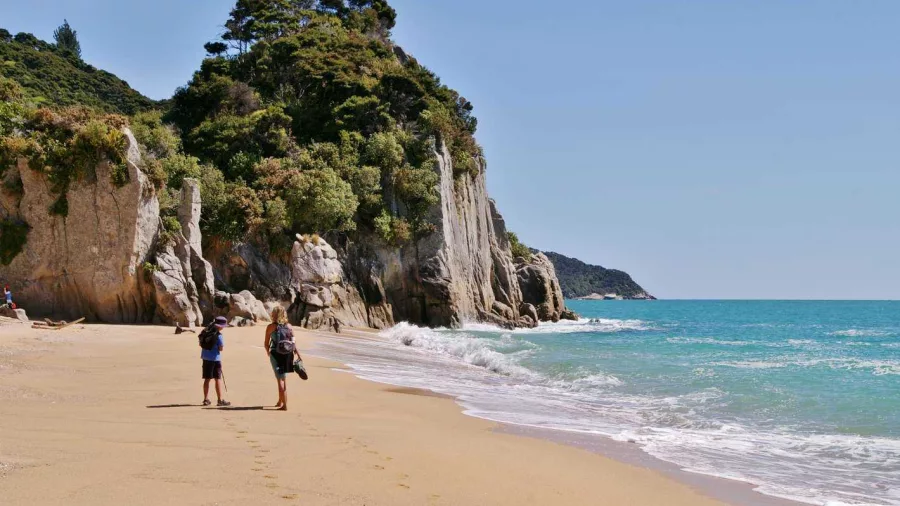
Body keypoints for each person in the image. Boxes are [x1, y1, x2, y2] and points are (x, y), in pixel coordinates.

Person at [264, 306, 302, 411]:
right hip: (288, 354)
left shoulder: (271, 327)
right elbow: (293, 342)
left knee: (280, 379)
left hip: (276, 354)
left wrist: (268, 353)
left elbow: (266, 343)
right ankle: (280, 401)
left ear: (274, 314)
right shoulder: (289, 326)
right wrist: (297, 353)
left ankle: (284, 405)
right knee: (283, 378)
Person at [201, 316, 231, 407]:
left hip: (205, 358)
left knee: (207, 379)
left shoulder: (205, 332)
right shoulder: (219, 335)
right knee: (217, 379)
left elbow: (200, 343)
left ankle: (206, 399)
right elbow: (221, 348)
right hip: (215, 359)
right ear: (220, 326)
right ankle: (219, 399)